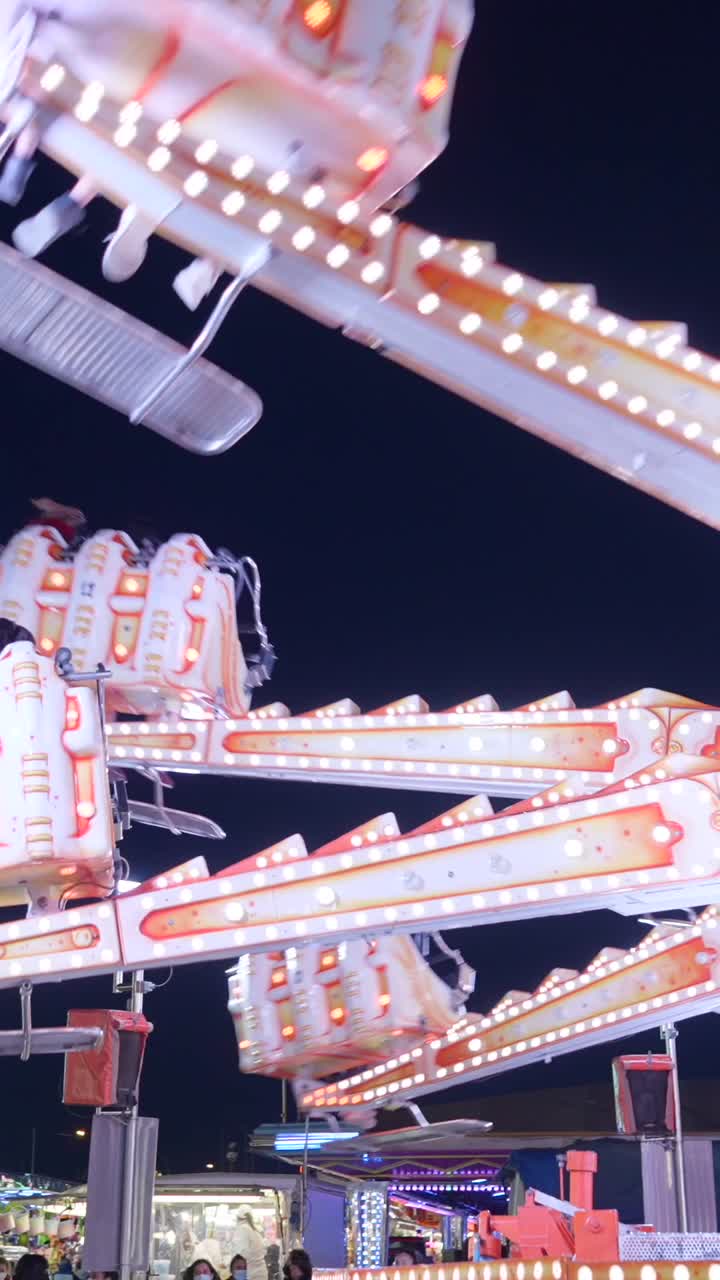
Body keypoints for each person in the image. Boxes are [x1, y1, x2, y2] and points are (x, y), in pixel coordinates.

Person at [234, 1210, 267, 1280]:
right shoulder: (255, 1230)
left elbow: (240, 1253)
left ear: (238, 1218)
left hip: (251, 1273)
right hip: (261, 1272)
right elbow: (264, 1251)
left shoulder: (243, 1228)